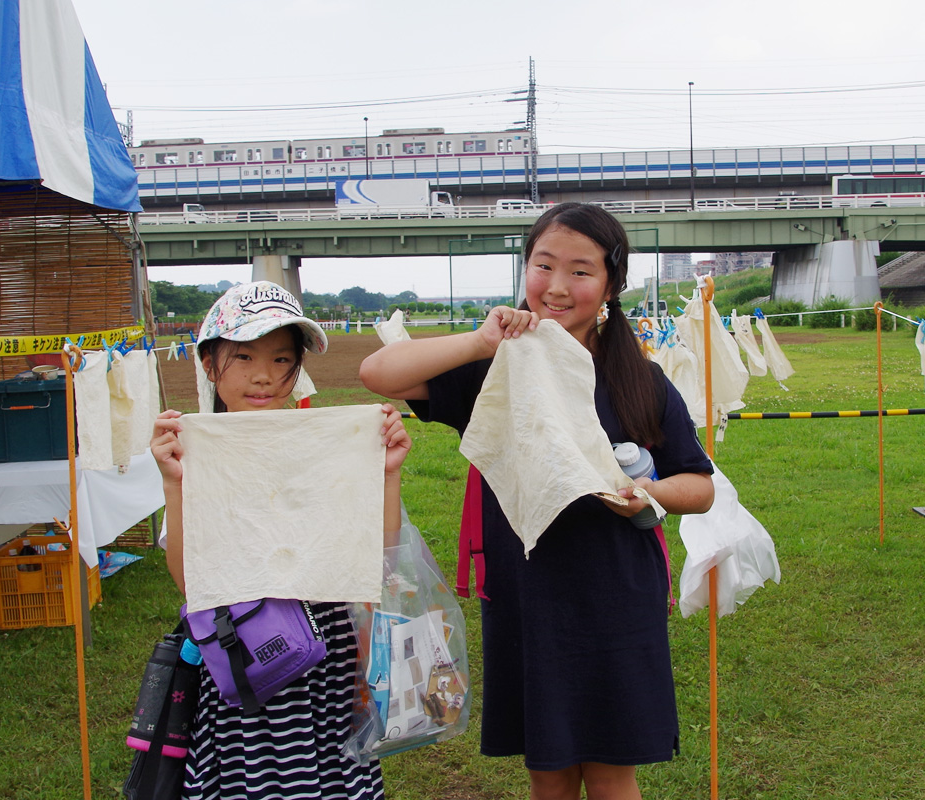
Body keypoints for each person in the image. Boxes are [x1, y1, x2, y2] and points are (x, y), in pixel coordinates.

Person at [358, 203, 714, 800]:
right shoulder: (497, 370)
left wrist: (645, 493)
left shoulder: (639, 381)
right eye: (542, 265)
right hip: (529, 594)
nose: (555, 286)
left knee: (610, 769)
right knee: (546, 770)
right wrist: (480, 339)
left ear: (609, 284)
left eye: (580, 271)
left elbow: (698, 486)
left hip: (617, 596)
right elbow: (378, 373)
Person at [150, 280, 410, 800]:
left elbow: (377, 552)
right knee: (254, 781)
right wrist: (174, 483)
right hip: (243, 650)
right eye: (242, 357)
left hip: (327, 656)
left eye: (281, 359)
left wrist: (386, 474)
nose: (263, 375)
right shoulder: (195, 449)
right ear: (207, 364)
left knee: (331, 775)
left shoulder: (327, 445)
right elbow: (188, 578)